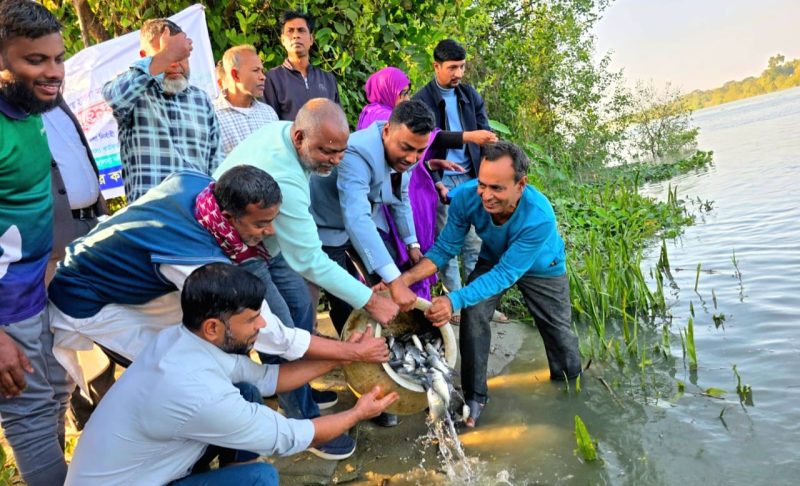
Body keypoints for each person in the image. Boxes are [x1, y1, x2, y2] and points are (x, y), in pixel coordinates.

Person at [48, 166, 390, 459]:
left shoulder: (202, 188)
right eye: (261, 223)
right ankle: (198, 450)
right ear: (228, 218)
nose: (270, 231)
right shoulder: (195, 259)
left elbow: (264, 357)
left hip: (130, 278)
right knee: (179, 371)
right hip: (90, 299)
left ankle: (228, 445)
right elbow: (272, 335)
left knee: (229, 370)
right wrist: (350, 354)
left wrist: (341, 356)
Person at [65, 263, 399, 485]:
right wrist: (358, 412)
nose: (262, 324)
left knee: (248, 391)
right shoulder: (196, 391)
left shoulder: (182, 340)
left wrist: (344, 357)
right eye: (252, 319)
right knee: (261, 478)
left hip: (149, 462)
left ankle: (223, 470)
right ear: (213, 327)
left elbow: (267, 379)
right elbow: (290, 437)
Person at [399, 142, 582, 427]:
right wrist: (403, 281)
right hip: (494, 257)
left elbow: (506, 274)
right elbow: (446, 247)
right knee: (474, 311)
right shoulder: (466, 196)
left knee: (558, 331)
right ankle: (475, 398)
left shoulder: (539, 216)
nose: (486, 195)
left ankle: (570, 389)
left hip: (543, 267)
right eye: (482, 184)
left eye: (497, 188)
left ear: (521, 184)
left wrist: (453, 299)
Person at [0, 3, 72, 484]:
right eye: (35, 60)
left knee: (56, 393)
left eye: (58, 58)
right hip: (7, 308)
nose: (53, 73)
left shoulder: (29, 108)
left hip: (38, 287)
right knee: (28, 411)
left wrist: (49, 260)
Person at [355, 67, 497, 300]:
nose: (406, 99)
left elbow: (404, 167)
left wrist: (430, 166)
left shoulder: (468, 95)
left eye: (407, 93)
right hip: (387, 212)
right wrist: (469, 137)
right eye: (402, 93)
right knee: (394, 264)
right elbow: (396, 170)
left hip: (401, 204)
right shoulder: (381, 117)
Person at [311, 100, 437, 335]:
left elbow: (400, 197)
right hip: (327, 226)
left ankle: (387, 335)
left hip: (366, 223)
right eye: (407, 148)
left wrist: (412, 243)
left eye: (420, 151)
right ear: (387, 130)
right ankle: (352, 344)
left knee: (386, 274)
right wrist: (395, 281)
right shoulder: (356, 152)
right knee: (346, 296)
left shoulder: (407, 153)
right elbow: (356, 217)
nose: (412, 159)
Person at [414, 39, 496, 322]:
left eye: (462, 67)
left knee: (476, 243)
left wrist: (488, 174)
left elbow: (484, 129)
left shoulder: (469, 95)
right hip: (439, 181)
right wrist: (468, 136)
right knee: (448, 246)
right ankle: (454, 305)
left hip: (472, 179)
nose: (458, 73)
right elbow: (428, 138)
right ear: (436, 66)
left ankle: (479, 304)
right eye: (452, 68)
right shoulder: (422, 100)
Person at [103, 18, 222, 202]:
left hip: (197, 213)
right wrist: (165, 56)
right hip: (149, 213)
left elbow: (216, 163)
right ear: (144, 56)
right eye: (167, 55)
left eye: (180, 55)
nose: (174, 63)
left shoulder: (201, 99)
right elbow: (113, 97)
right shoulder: (135, 94)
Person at [263, 11, 339, 120]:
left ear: (311, 39)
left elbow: (337, 120)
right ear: (283, 40)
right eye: (290, 31)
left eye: (301, 30)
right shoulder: (272, 79)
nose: (296, 35)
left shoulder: (328, 79)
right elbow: (271, 124)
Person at [214, 44, 278, 155]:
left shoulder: (269, 113)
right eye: (256, 70)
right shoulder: (212, 115)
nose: (263, 77)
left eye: (262, 71)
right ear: (235, 75)